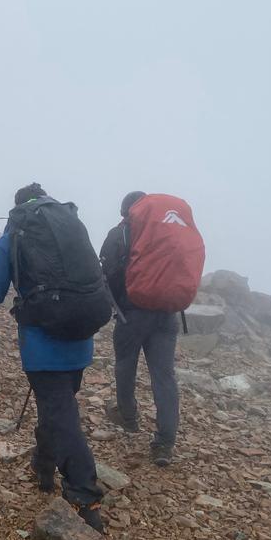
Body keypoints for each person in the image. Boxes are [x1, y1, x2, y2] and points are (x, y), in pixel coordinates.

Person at [0, 183, 107, 532]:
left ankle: (85, 499)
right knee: (59, 407)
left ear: (18, 207)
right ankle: (43, 465)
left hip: (43, 346)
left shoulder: (14, 234)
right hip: (82, 338)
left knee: (62, 417)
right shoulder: (70, 227)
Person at [100, 191, 180, 467]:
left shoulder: (120, 233)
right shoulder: (166, 233)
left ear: (125, 212)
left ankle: (129, 418)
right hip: (168, 313)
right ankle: (164, 444)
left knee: (125, 365)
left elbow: (107, 274)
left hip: (132, 313)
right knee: (164, 376)